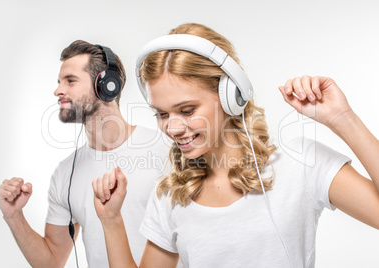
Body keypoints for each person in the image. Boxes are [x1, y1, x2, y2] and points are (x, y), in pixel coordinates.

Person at [92, 23, 379, 268]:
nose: (173, 128)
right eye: (162, 114)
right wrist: (112, 220)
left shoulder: (301, 162)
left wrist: (343, 119)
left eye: (188, 110)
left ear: (232, 95)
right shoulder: (170, 196)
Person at [0, 40, 171, 267]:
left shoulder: (167, 150)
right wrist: (14, 216)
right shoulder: (65, 173)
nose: (58, 91)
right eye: (59, 82)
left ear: (107, 86)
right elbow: (51, 261)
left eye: (70, 81)